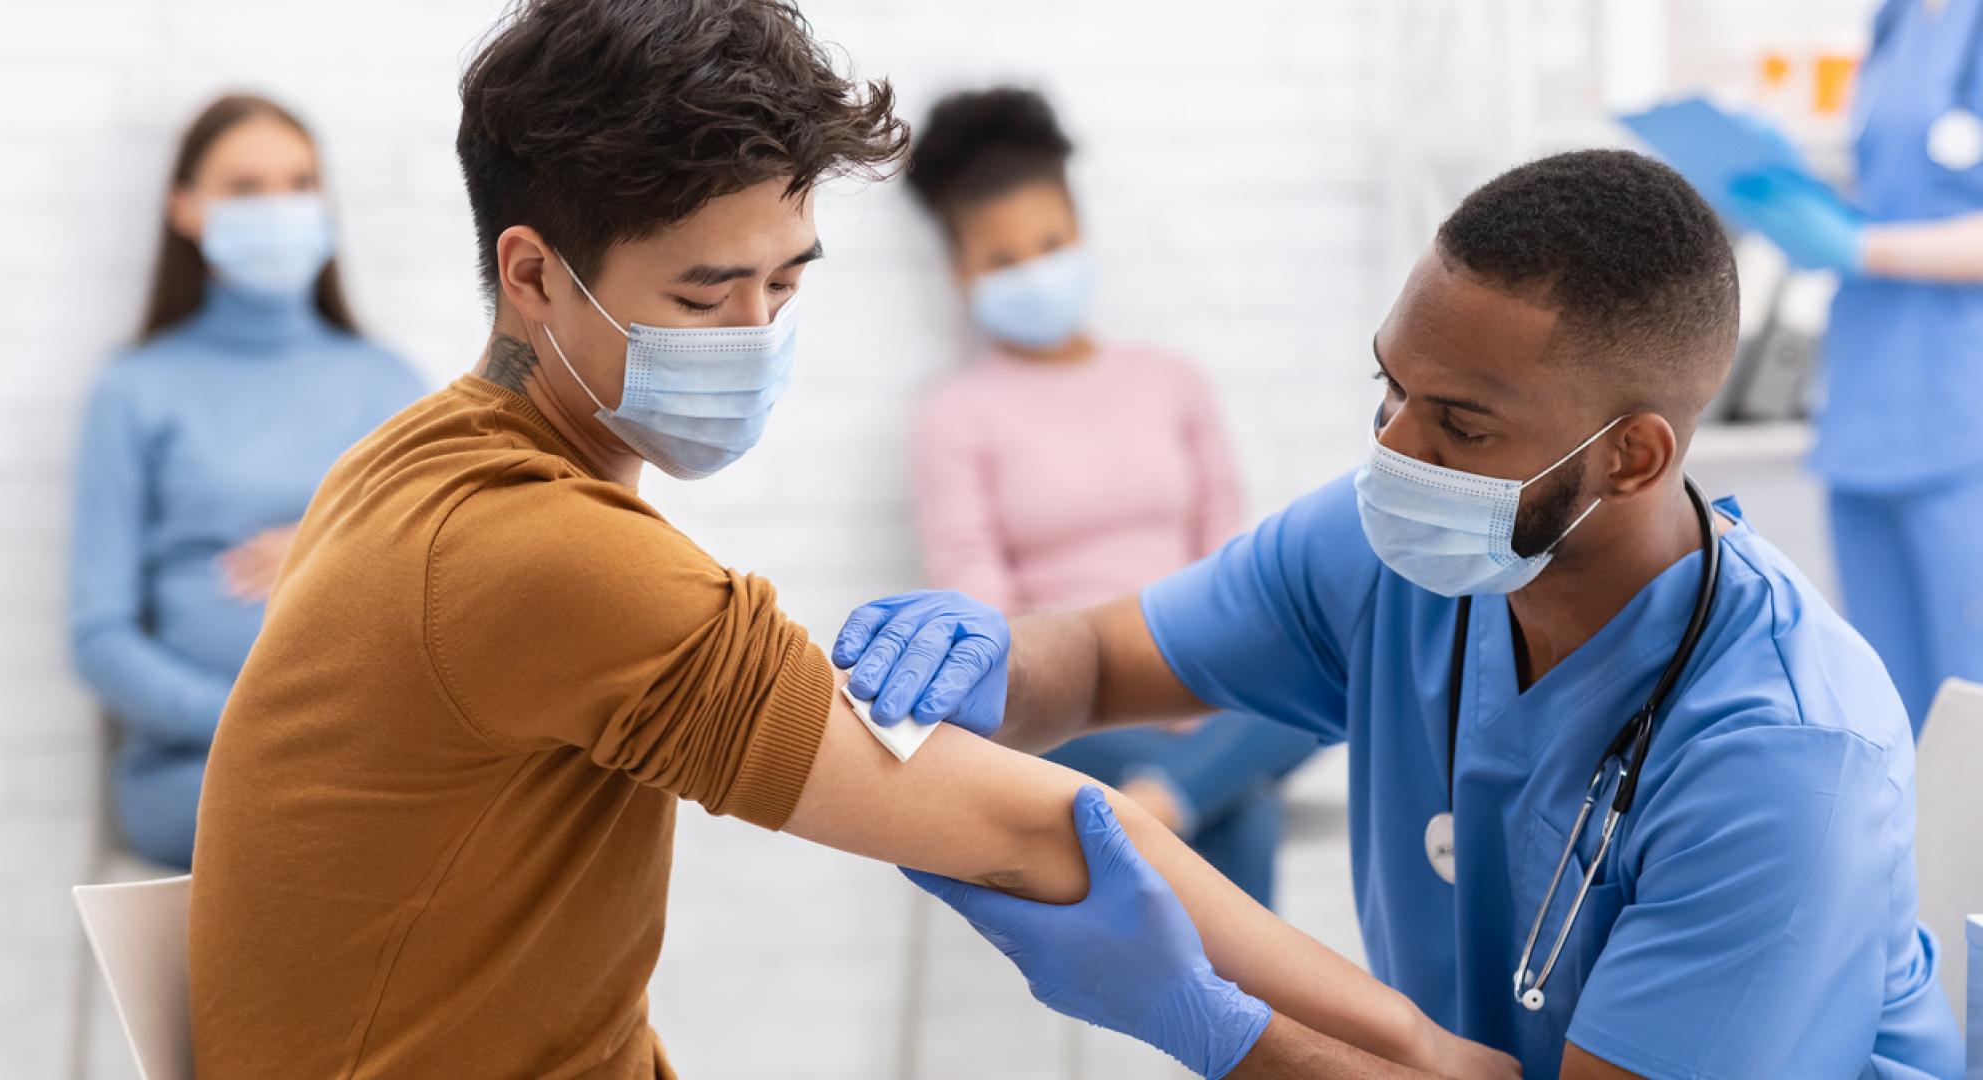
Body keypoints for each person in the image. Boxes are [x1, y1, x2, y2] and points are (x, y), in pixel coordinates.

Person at [185, 3, 1517, 1078]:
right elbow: (1044, 824)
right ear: (533, 275)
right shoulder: (544, 554)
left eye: (785, 281)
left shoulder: (412, 458)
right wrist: (1407, 1051)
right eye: (707, 293)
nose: (758, 336)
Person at [841, 150, 1965, 1079]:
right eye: (1388, 388)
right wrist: (991, 663)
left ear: (1630, 456)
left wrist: (1218, 1028)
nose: (1392, 450)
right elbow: (1090, 662)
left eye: (1460, 427)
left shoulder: (1783, 756)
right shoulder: (1388, 551)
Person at [904, 86, 1320, 905]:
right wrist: (1115, 691)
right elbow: (982, 610)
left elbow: (1228, 560)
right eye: (1003, 259)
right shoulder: (954, 418)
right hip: (1063, 709)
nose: (1034, 271)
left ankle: (1159, 808)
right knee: (1245, 807)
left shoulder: (1173, 382)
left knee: (1328, 671)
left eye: (1051, 243)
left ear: (1082, 233)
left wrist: (1194, 682)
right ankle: (1197, 810)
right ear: (962, 272)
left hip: (1201, 670)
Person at [67, 93, 423, 869]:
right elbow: (100, 637)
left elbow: (448, 582)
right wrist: (248, 720)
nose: (280, 208)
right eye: (246, 188)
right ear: (186, 210)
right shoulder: (136, 390)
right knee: (328, 830)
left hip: (369, 751)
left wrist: (330, 541)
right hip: (194, 768)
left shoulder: (393, 386)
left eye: (299, 183)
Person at [1717, 0, 1983, 733]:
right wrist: (1794, 197)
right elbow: (1890, 193)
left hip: (1963, 417)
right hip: (1869, 411)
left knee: (1972, 705)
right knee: (1890, 710)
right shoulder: (1896, 21)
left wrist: (1862, 249)